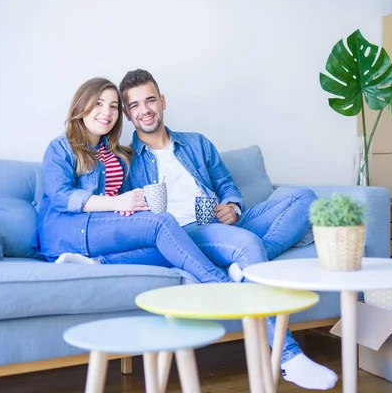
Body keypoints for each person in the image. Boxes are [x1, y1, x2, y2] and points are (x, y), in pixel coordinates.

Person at [118, 69, 338, 390]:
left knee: (304, 199)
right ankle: (288, 357)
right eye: (135, 105)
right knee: (247, 244)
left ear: (162, 101)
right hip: (185, 233)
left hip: (221, 224)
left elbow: (225, 184)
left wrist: (232, 207)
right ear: (127, 113)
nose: (145, 109)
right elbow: (128, 216)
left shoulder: (196, 143)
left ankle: (241, 265)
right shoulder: (124, 160)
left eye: (150, 99)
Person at [32, 77, 233, 284]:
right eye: (98, 104)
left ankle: (98, 264)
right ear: (82, 107)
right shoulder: (61, 147)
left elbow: (117, 198)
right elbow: (61, 197)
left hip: (101, 228)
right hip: (67, 230)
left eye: (113, 107)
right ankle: (219, 283)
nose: (107, 113)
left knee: (169, 243)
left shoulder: (114, 153)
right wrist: (116, 202)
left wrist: (127, 206)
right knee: (162, 222)